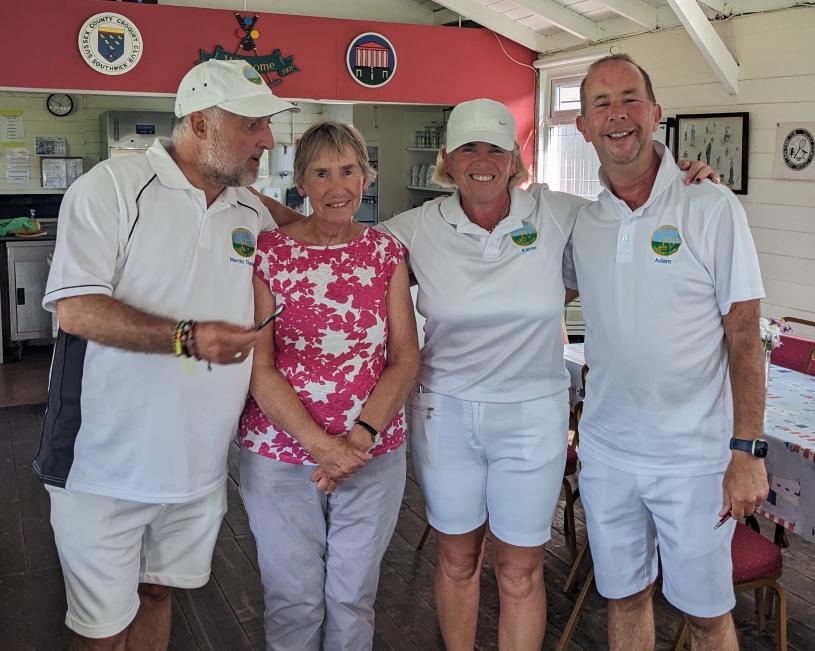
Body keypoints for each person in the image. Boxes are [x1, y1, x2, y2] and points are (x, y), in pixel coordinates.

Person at [259, 102, 714, 650]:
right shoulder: (415, 229)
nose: (482, 161)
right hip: (446, 413)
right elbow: (333, 227)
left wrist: (679, 178)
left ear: (516, 159)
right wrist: (244, 204)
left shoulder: (557, 212)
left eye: (495, 148)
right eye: (468, 149)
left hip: (532, 416)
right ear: (447, 160)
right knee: (457, 559)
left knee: (520, 570)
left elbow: (631, 208)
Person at [33, 59, 301, 650]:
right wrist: (188, 337)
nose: (268, 139)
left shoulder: (248, 209)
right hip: (104, 465)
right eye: (252, 124)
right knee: (100, 629)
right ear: (201, 123)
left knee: (158, 594)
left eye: (268, 125)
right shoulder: (110, 188)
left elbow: (312, 237)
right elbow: (76, 310)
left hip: (198, 467)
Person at [570, 53, 768, 650]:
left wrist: (747, 450)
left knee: (706, 616)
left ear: (655, 113)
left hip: (695, 462)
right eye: (600, 104)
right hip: (607, 454)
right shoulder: (585, 221)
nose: (617, 115)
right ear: (582, 126)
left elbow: (744, 332)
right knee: (624, 599)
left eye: (630, 99)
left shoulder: (710, 206)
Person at [237, 120, 420, 650]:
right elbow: (261, 364)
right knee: (293, 600)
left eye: (348, 171)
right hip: (279, 453)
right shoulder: (268, 253)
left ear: (366, 177)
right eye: (321, 173)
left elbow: (404, 357)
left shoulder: (386, 253)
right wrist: (323, 447)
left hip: (372, 451)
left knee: (352, 596)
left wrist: (356, 441)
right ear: (300, 182)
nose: (337, 187)